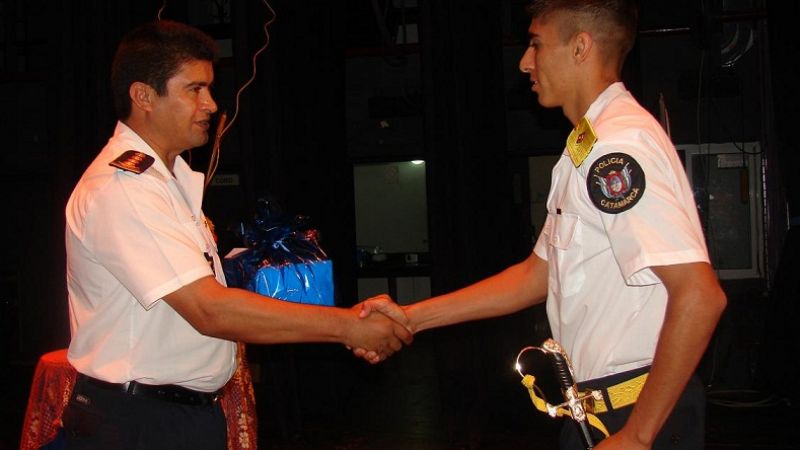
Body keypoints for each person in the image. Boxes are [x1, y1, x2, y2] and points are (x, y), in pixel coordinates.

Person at [360, 1, 727, 449]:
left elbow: (700, 295)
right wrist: (412, 318)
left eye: (535, 44)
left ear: (580, 47)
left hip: (637, 412)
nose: (524, 62)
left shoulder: (619, 147)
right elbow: (537, 275)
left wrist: (638, 434)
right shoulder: (584, 147)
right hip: (596, 412)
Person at [62, 20, 410, 450]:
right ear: (144, 96)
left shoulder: (165, 182)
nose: (210, 104)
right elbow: (209, 311)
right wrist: (348, 327)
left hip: (170, 417)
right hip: (139, 423)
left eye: (209, 88)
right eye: (194, 89)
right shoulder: (125, 188)